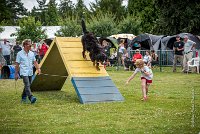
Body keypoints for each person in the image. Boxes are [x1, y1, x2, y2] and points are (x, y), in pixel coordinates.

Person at [15, 39, 41, 104]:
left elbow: (35, 62)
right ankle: (31, 97)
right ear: (25, 45)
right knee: (27, 84)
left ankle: (23, 97)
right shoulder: (19, 54)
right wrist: (16, 74)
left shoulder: (32, 53)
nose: (31, 46)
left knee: (28, 84)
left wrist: (38, 68)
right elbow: (17, 64)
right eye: (29, 45)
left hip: (30, 72)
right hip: (23, 72)